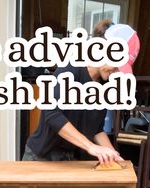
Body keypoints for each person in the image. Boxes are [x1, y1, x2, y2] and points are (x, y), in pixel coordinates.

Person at [22, 22, 140, 166]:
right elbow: (52, 115)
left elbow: (97, 130)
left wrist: (115, 157)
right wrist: (91, 147)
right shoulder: (71, 68)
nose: (116, 71)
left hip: (69, 159)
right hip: (41, 157)